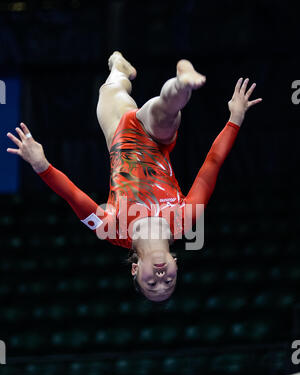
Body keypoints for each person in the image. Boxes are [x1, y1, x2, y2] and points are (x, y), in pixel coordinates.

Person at [7, 52, 262, 302]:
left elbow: (73, 196)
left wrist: (41, 165)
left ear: (135, 269)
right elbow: (212, 164)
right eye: (169, 281)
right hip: (155, 138)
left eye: (152, 283)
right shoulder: (184, 219)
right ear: (176, 264)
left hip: (118, 135)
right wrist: (235, 118)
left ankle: (120, 67)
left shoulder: (112, 230)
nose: (161, 277)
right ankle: (182, 81)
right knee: (165, 114)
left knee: (110, 89)